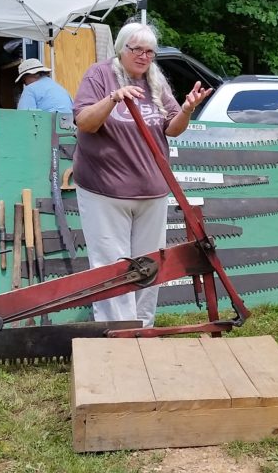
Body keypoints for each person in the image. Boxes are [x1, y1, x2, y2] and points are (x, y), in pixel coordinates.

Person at [72, 22, 212, 327]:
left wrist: (187, 110)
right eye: (136, 49)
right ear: (121, 48)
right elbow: (84, 122)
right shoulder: (99, 75)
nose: (144, 56)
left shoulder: (155, 81)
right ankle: (118, 330)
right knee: (112, 264)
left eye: (149, 52)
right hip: (105, 189)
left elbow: (171, 128)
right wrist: (114, 98)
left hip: (152, 190)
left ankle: (143, 328)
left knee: (149, 263)